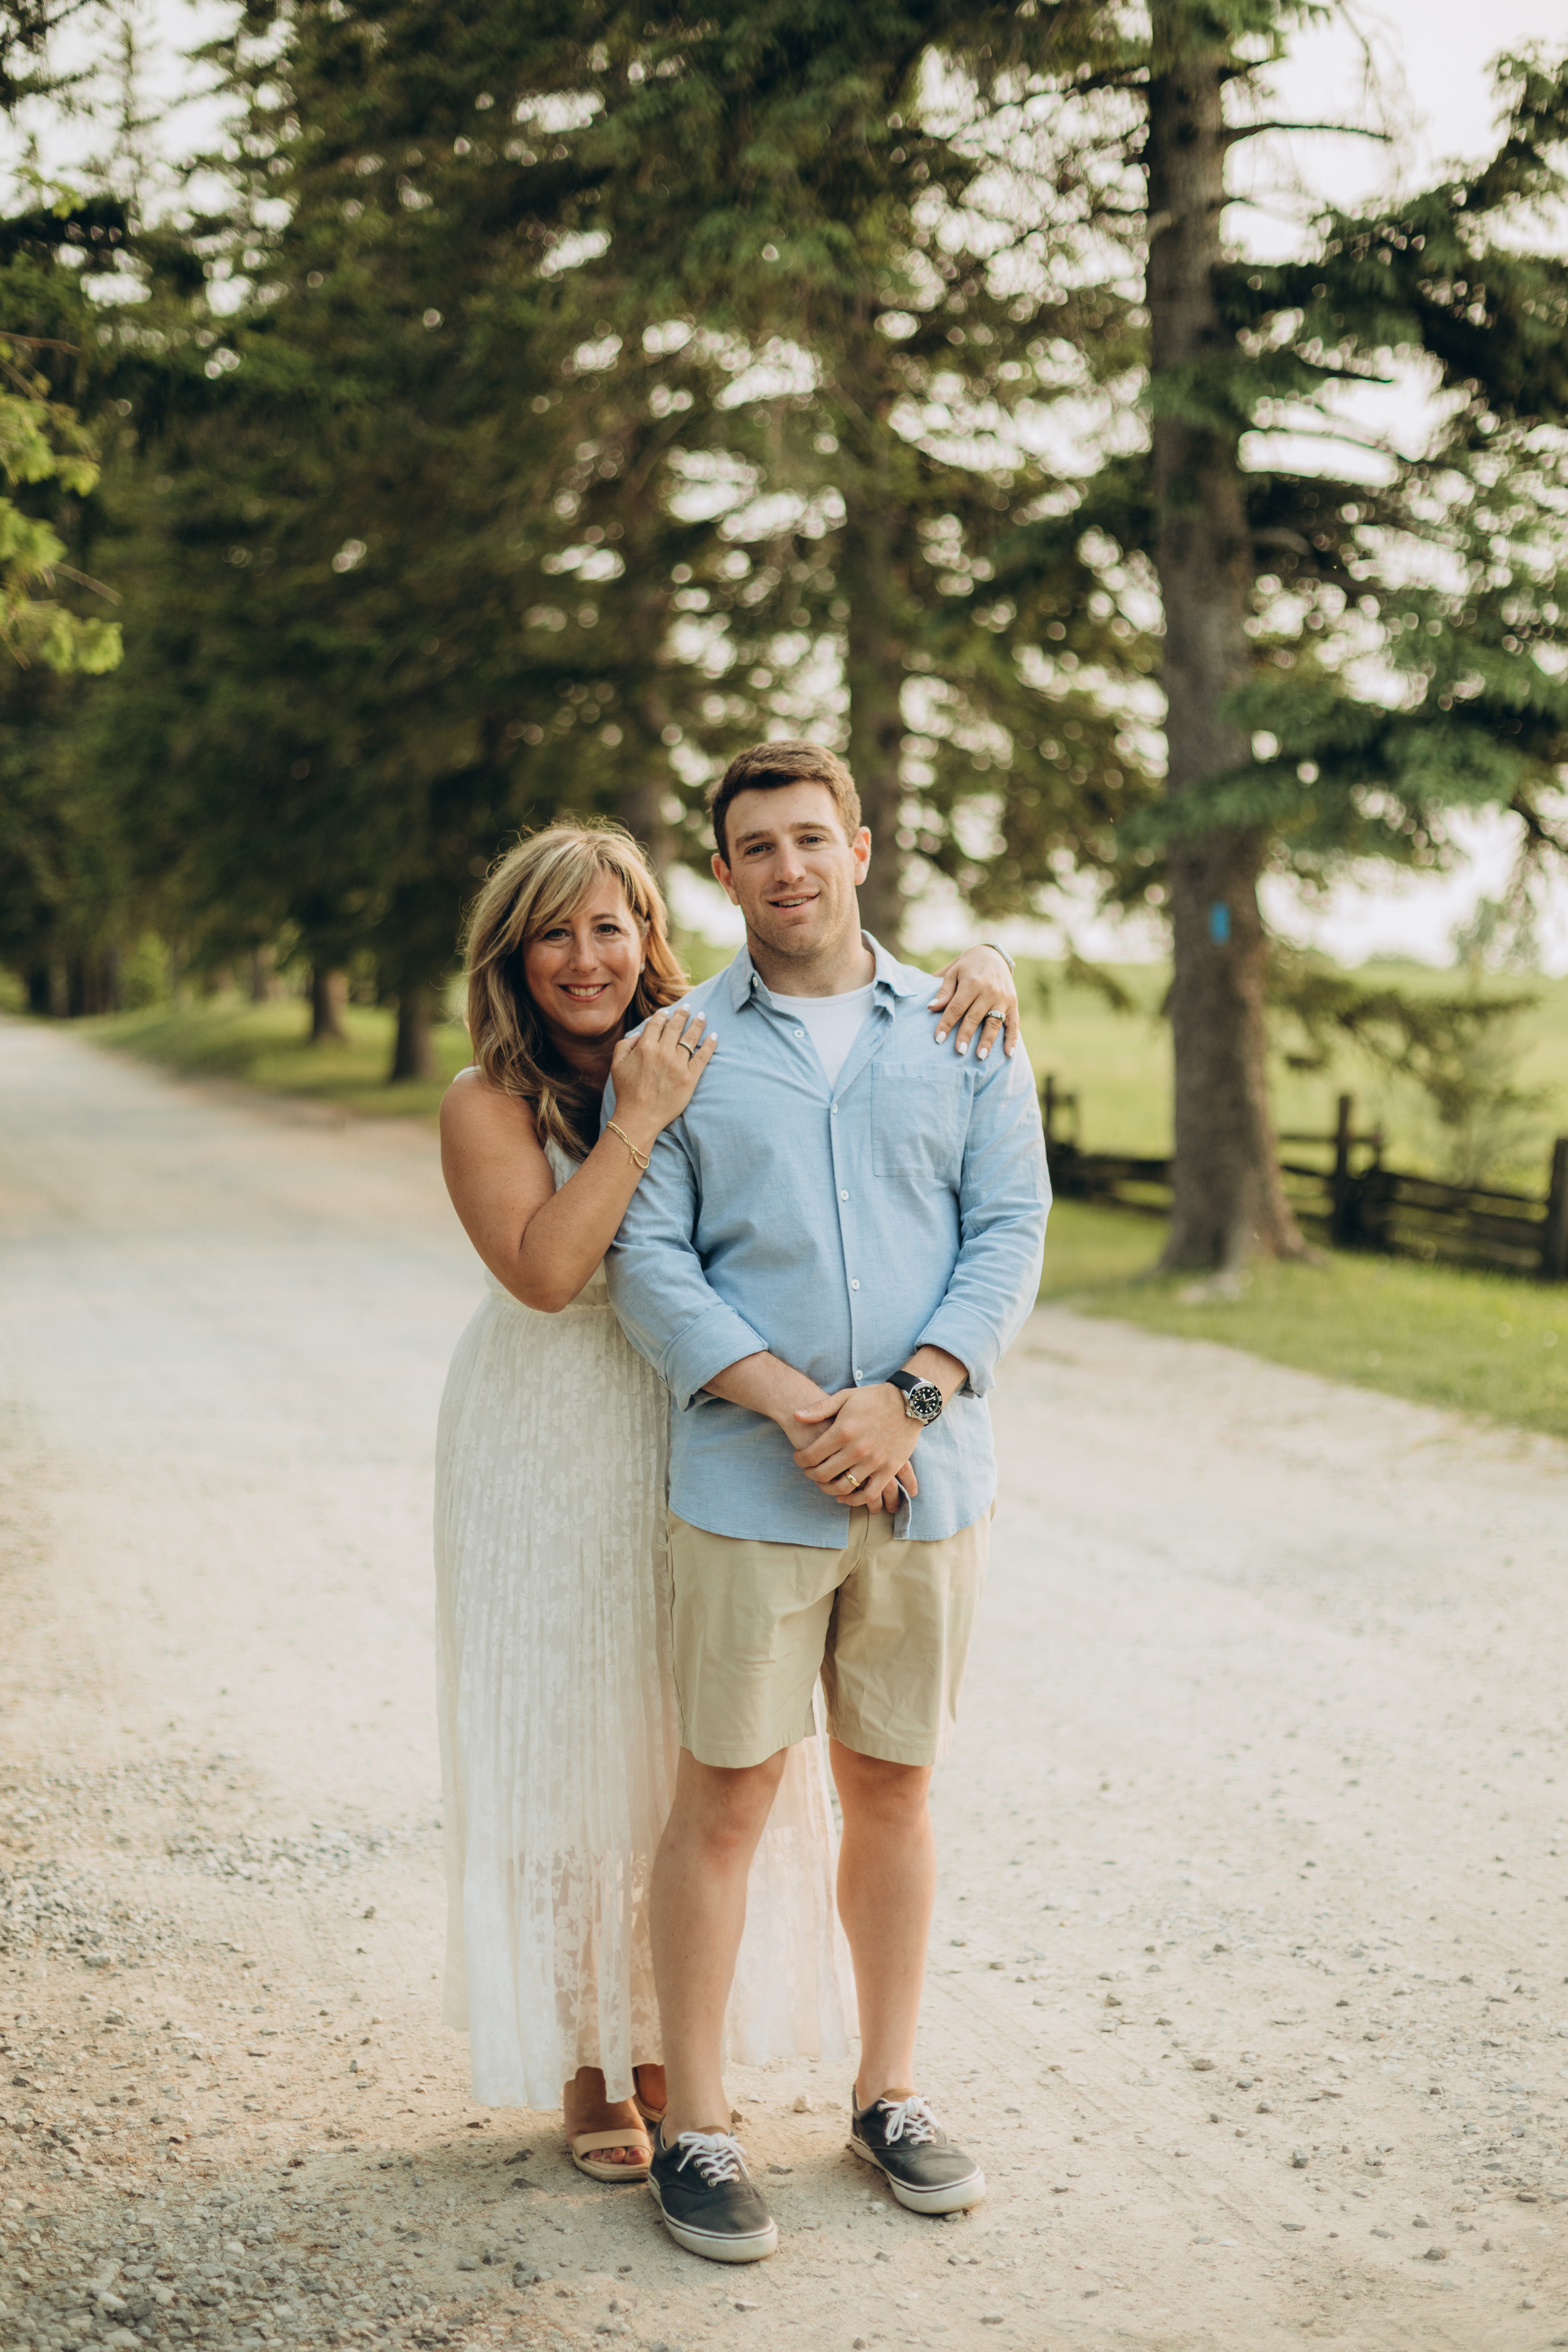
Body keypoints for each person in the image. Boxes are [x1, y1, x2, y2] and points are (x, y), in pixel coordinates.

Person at [434, 817, 1023, 2183]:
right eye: (552, 934)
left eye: (607, 927)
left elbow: (846, 1041)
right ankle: (593, 2058)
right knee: (579, 1746)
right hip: (558, 1429)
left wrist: (980, 957)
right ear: (512, 958)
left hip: (696, 1422)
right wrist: (635, 1119)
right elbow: (547, 1272)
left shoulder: (705, 1038)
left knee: (693, 1750)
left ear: (650, 932)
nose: (584, 959)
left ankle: (665, 2048)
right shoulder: (494, 1097)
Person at [605, 742, 1050, 2263]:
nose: (786, 867)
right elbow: (648, 1263)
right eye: (754, 846)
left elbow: (1008, 1226)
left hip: (929, 1481)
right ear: (720, 875)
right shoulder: (675, 1049)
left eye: (810, 836)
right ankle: (703, 2126)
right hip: (747, 1483)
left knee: (894, 1788)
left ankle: (889, 2095)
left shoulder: (965, 1026)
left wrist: (908, 1396)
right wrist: (810, 1408)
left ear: (859, 846)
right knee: (722, 1795)